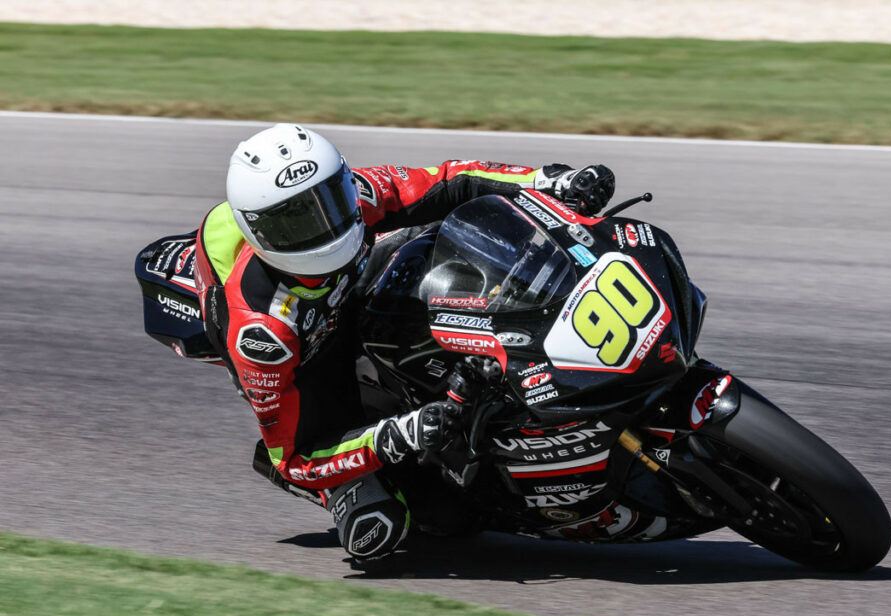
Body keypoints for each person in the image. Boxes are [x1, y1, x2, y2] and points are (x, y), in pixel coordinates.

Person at [193, 123, 615, 562]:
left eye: (330, 202)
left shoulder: (354, 193)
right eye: (298, 221)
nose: (324, 223)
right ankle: (343, 492)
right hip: (311, 352)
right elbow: (296, 456)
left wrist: (548, 181)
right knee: (442, 517)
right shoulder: (262, 335)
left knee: (460, 247)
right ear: (261, 233)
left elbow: (450, 180)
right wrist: (398, 435)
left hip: (351, 283)